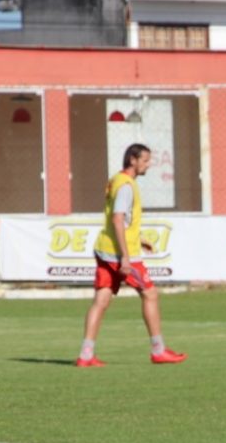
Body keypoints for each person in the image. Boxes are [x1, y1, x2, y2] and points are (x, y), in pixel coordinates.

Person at [77, 143, 186, 367]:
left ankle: (86, 355)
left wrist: (139, 238)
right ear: (133, 160)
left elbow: (121, 220)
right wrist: (125, 256)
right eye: (145, 160)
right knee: (150, 294)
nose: (149, 165)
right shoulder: (126, 186)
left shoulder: (116, 180)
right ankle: (159, 350)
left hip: (105, 248)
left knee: (101, 299)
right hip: (120, 254)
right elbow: (118, 218)